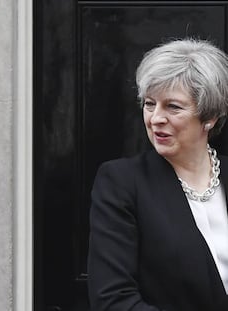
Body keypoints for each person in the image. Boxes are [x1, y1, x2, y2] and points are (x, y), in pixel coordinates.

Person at [88, 38, 228, 310]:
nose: (155, 118)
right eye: (150, 104)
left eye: (173, 107)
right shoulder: (121, 183)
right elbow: (113, 299)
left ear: (209, 117)